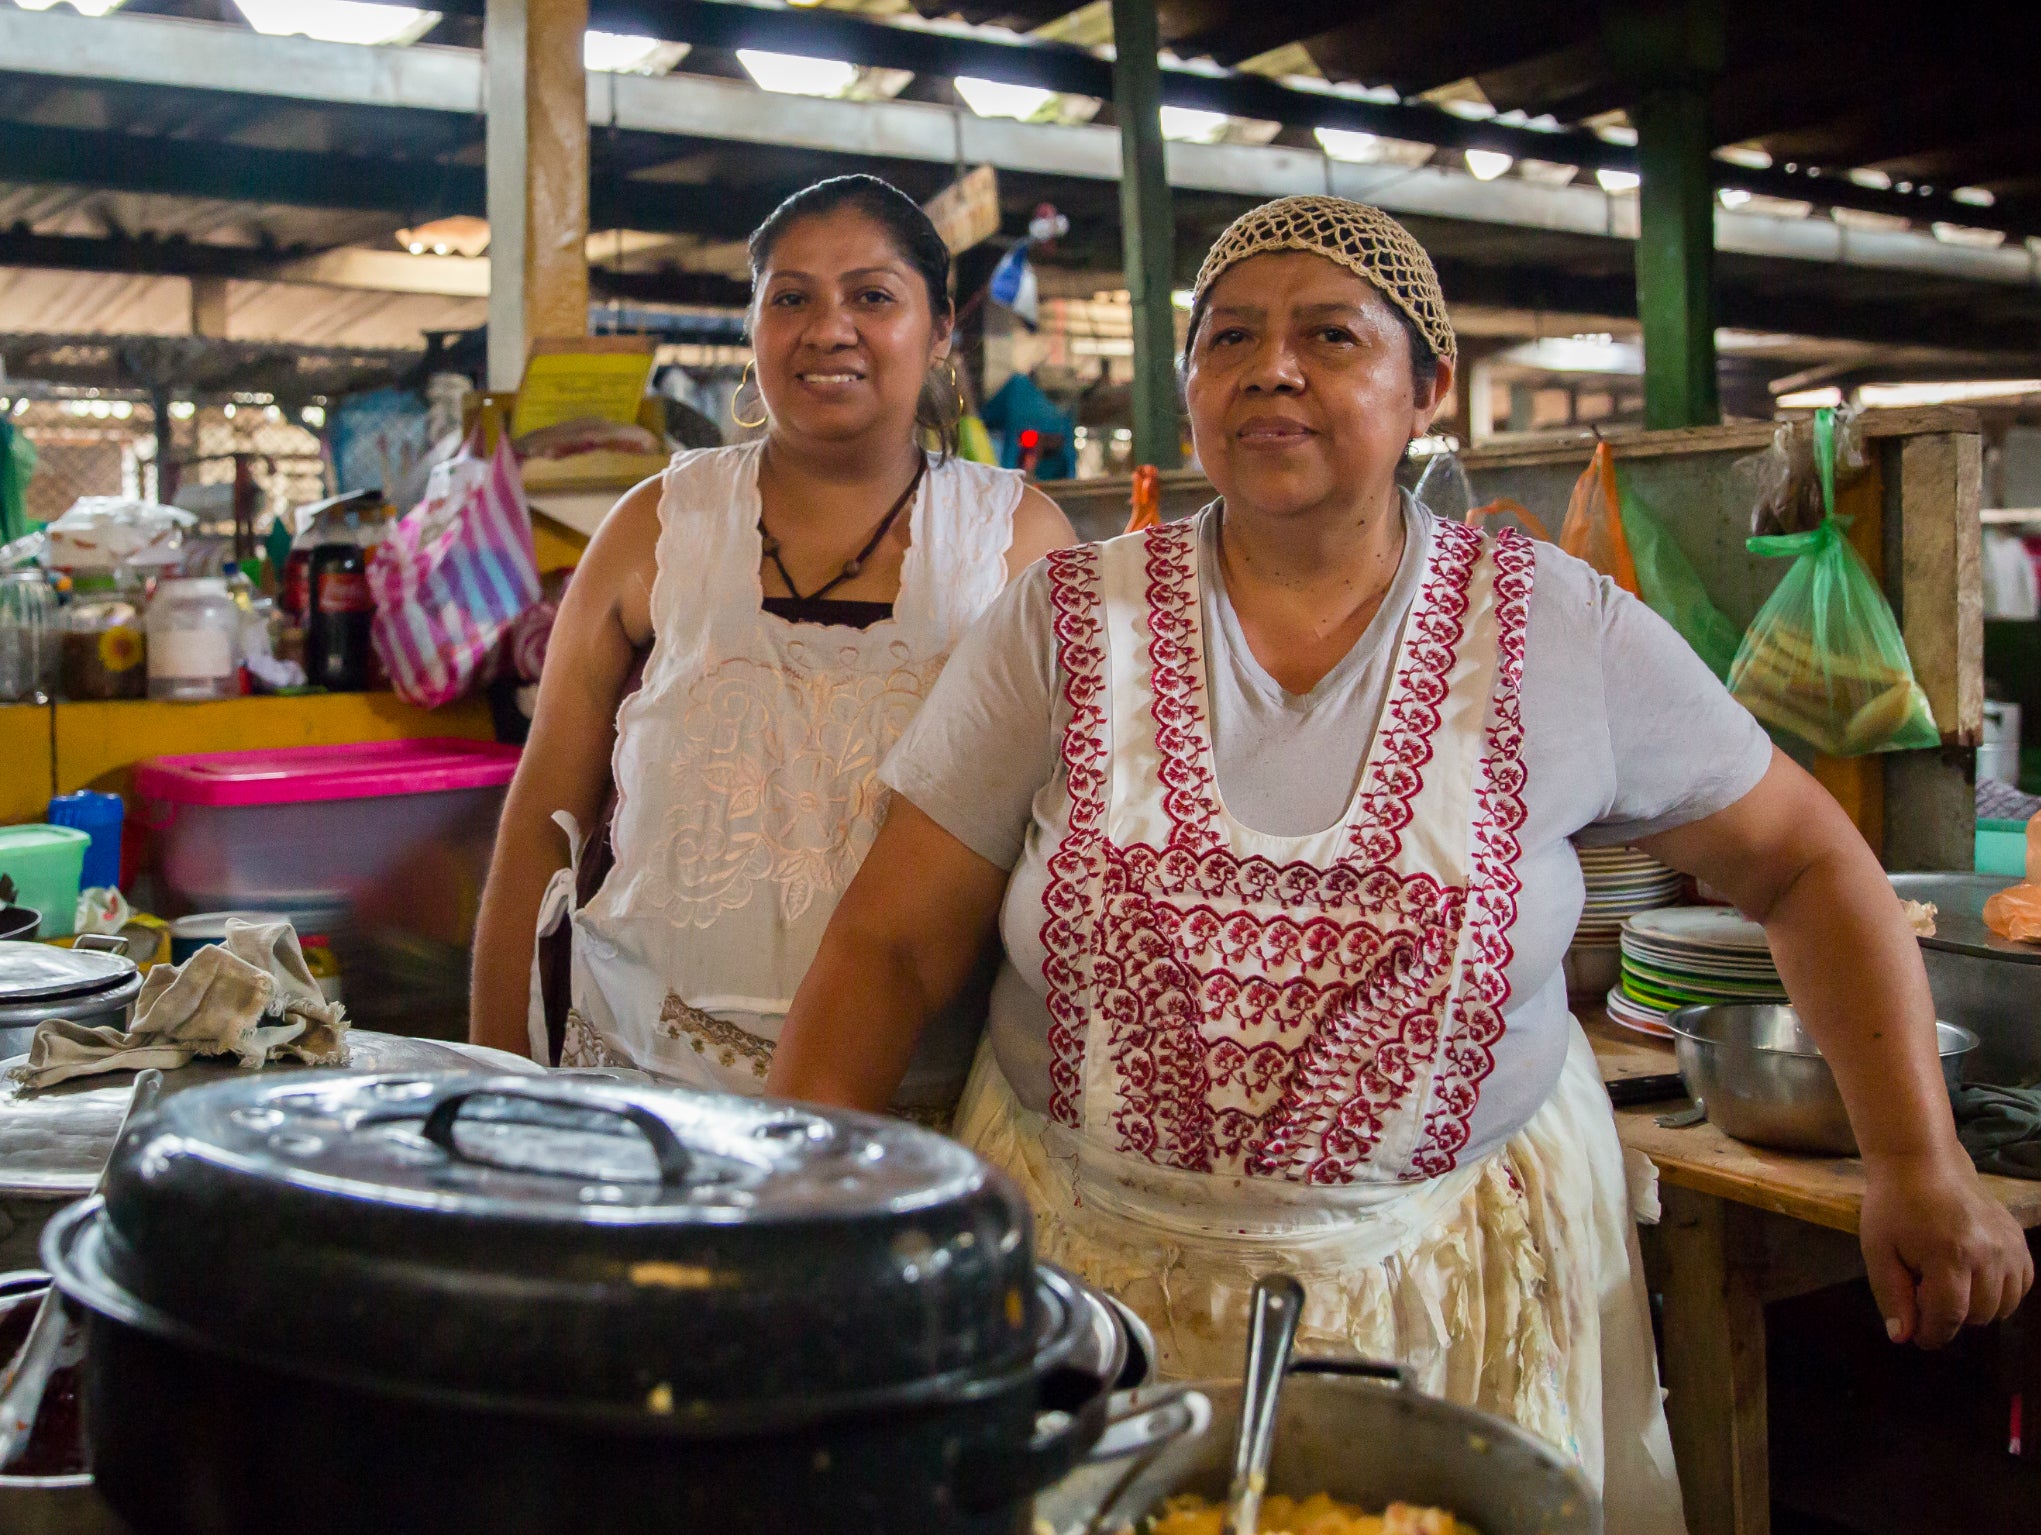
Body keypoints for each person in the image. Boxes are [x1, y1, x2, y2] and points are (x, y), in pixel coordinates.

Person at [766, 196, 2032, 1527]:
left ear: (1427, 387)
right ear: (1191, 384)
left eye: (1330, 334)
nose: (1273, 367)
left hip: (1455, 1293)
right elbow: (890, 941)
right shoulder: (1065, 622)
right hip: (1088, 1290)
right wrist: (794, 1237)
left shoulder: (1554, 628)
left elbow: (1805, 863)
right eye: (1231, 337)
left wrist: (1917, 1158)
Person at [469, 174, 1073, 1116]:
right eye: (790, 298)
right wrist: (495, 1089)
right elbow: (540, 826)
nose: (827, 329)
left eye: (872, 297)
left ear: (941, 331)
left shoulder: (1017, 542)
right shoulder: (656, 525)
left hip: (908, 1109)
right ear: (752, 329)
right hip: (638, 1085)